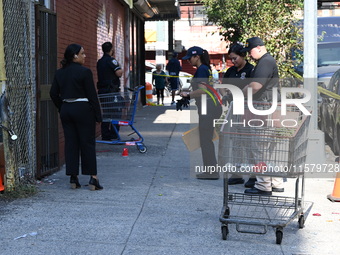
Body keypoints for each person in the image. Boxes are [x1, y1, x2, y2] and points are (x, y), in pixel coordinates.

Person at [50, 43, 103, 191]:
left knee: (71, 143)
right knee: (87, 143)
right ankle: (93, 178)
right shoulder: (84, 72)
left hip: (67, 108)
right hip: (83, 109)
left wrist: (62, 107)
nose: (85, 56)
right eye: (82, 54)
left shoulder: (59, 73)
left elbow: (53, 93)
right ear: (75, 56)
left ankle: (73, 177)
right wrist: (99, 116)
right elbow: (92, 95)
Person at [241, 37, 283, 195]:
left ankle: (263, 185)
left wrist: (239, 94)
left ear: (258, 48)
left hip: (263, 109)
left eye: (250, 51)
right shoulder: (267, 61)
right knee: (269, 147)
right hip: (269, 108)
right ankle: (275, 181)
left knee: (260, 147)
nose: (249, 55)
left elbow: (255, 86)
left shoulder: (265, 62)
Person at [181, 46, 222, 180]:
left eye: (190, 58)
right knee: (205, 138)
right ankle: (210, 169)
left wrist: (188, 95)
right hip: (208, 106)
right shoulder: (203, 69)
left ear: (197, 56)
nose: (188, 61)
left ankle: (211, 171)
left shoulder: (202, 69)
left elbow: (203, 90)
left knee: (206, 140)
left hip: (207, 107)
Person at [221, 43, 255, 186]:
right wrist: (226, 95)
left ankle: (254, 175)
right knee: (236, 142)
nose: (233, 61)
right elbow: (223, 86)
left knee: (249, 143)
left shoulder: (251, 70)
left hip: (248, 111)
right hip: (234, 112)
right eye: (231, 59)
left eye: (235, 58)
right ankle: (237, 173)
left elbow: (254, 89)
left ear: (242, 56)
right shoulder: (231, 71)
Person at [97, 42, 123, 140]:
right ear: (111, 49)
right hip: (112, 92)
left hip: (103, 91)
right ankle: (114, 134)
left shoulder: (99, 62)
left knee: (106, 113)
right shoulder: (112, 61)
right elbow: (119, 73)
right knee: (116, 113)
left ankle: (105, 135)